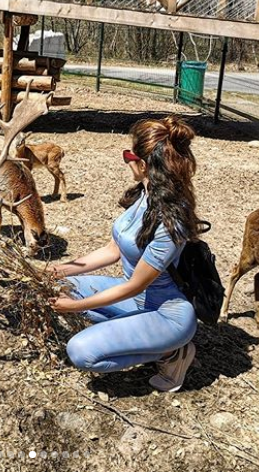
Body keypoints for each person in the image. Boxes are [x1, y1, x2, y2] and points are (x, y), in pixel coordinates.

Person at [49, 116, 201, 392]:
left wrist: (75, 308)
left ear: (143, 165)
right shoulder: (145, 195)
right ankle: (134, 336)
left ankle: (170, 353)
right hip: (136, 300)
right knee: (61, 287)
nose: (126, 160)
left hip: (167, 315)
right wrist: (58, 270)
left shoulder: (170, 220)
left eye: (128, 155)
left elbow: (135, 285)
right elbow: (112, 250)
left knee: (80, 351)